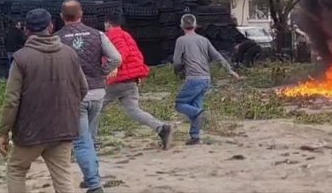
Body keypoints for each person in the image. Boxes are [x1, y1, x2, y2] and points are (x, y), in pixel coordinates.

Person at [0, 9, 88, 193]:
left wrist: (3, 132)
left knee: (16, 169)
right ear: (51, 27)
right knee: (63, 178)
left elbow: (11, 101)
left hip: (31, 131)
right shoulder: (69, 53)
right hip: (63, 128)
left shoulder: (21, 58)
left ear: (26, 30)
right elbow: (83, 88)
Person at [56, 0, 121, 193]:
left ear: (61, 16)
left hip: (75, 95)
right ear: (81, 14)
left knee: (81, 141)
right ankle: (91, 175)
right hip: (98, 92)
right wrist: (102, 71)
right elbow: (117, 58)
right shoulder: (98, 34)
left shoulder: (57, 39)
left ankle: (94, 184)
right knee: (90, 137)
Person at [91, 12, 173, 149]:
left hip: (118, 80)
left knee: (94, 108)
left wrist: (112, 67)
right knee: (134, 110)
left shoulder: (113, 36)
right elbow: (136, 56)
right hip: (131, 80)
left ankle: (90, 142)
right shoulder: (126, 35)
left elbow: (119, 54)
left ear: (108, 24)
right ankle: (161, 128)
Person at [173, 14, 240, 145]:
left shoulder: (181, 40)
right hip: (206, 79)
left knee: (180, 104)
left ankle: (199, 114)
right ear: (195, 25)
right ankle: (195, 136)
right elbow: (217, 56)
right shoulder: (204, 40)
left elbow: (176, 61)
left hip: (193, 78)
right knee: (196, 104)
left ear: (182, 26)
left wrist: (178, 71)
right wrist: (230, 70)